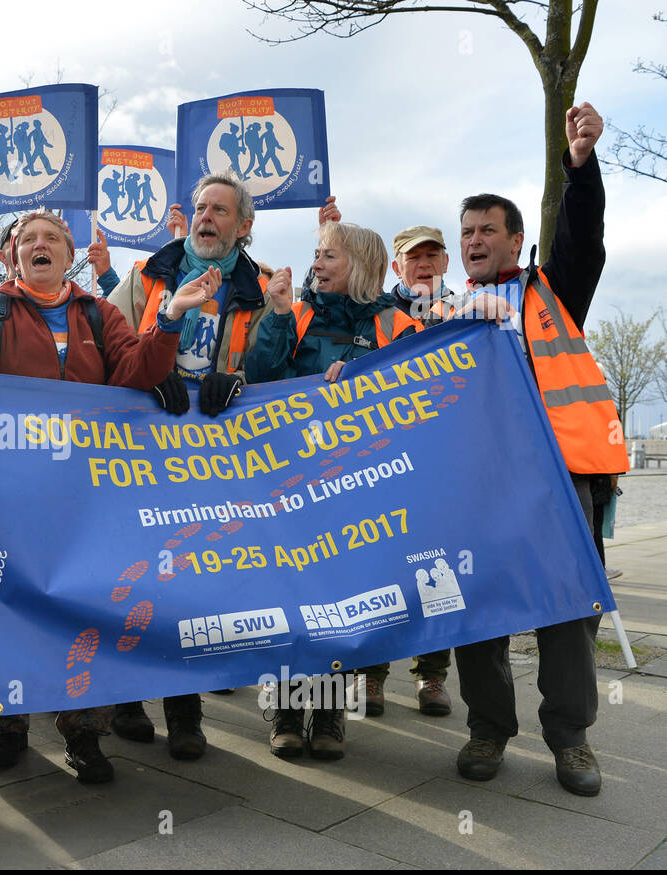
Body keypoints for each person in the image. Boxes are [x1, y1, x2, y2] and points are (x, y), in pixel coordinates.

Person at [0, 209, 182, 783]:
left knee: (88, 606)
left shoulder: (99, 311)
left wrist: (170, 322)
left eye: (52, 240)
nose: (40, 245)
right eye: (28, 239)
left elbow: (137, 371)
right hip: (11, 491)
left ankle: (84, 732)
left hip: (87, 497)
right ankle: (7, 725)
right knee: (8, 607)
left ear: (69, 255)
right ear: (11, 255)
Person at [451, 102, 627, 798]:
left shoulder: (555, 290)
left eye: (486, 230)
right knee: (476, 607)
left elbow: (585, 237)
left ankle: (572, 738)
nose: (472, 240)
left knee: (568, 608)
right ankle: (488, 727)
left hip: (560, 479)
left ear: (515, 239)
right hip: (477, 487)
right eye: (465, 231)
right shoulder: (440, 311)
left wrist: (580, 164)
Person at [105, 172, 272, 756]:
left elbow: (281, 368)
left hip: (215, 462)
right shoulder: (144, 277)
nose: (205, 218)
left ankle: (185, 710)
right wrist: (152, 381)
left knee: (192, 582)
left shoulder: (264, 288)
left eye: (220, 211)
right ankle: (127, 700)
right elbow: (112, 348)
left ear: (243, 227)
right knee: (132, 575)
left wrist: (239, 382)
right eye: (201, 208)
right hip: (142, 454)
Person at [245, 220, 422, 760]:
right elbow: (259, 375)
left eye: (328, 256)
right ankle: (285, 712)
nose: (316, 264)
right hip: (293, 485)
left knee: (343, 602)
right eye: (316, 254)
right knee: (290, 597)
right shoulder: (294, 313)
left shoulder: (396, 324)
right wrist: (275, 317)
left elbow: (419, 392)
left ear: (362, 267)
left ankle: (328, 716)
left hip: (358, 489)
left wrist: (367, 376)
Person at [315, 206, 457, 718]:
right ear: (396, 268)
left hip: (436, 463)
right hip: (377, 466)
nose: (423, 265)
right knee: (378, 567)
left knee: (434, 567)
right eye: (412, 257)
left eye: (431, 255)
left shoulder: (467, 315)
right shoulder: (379, 313)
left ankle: (432, 675)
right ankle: (370, 676)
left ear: (446, 261)